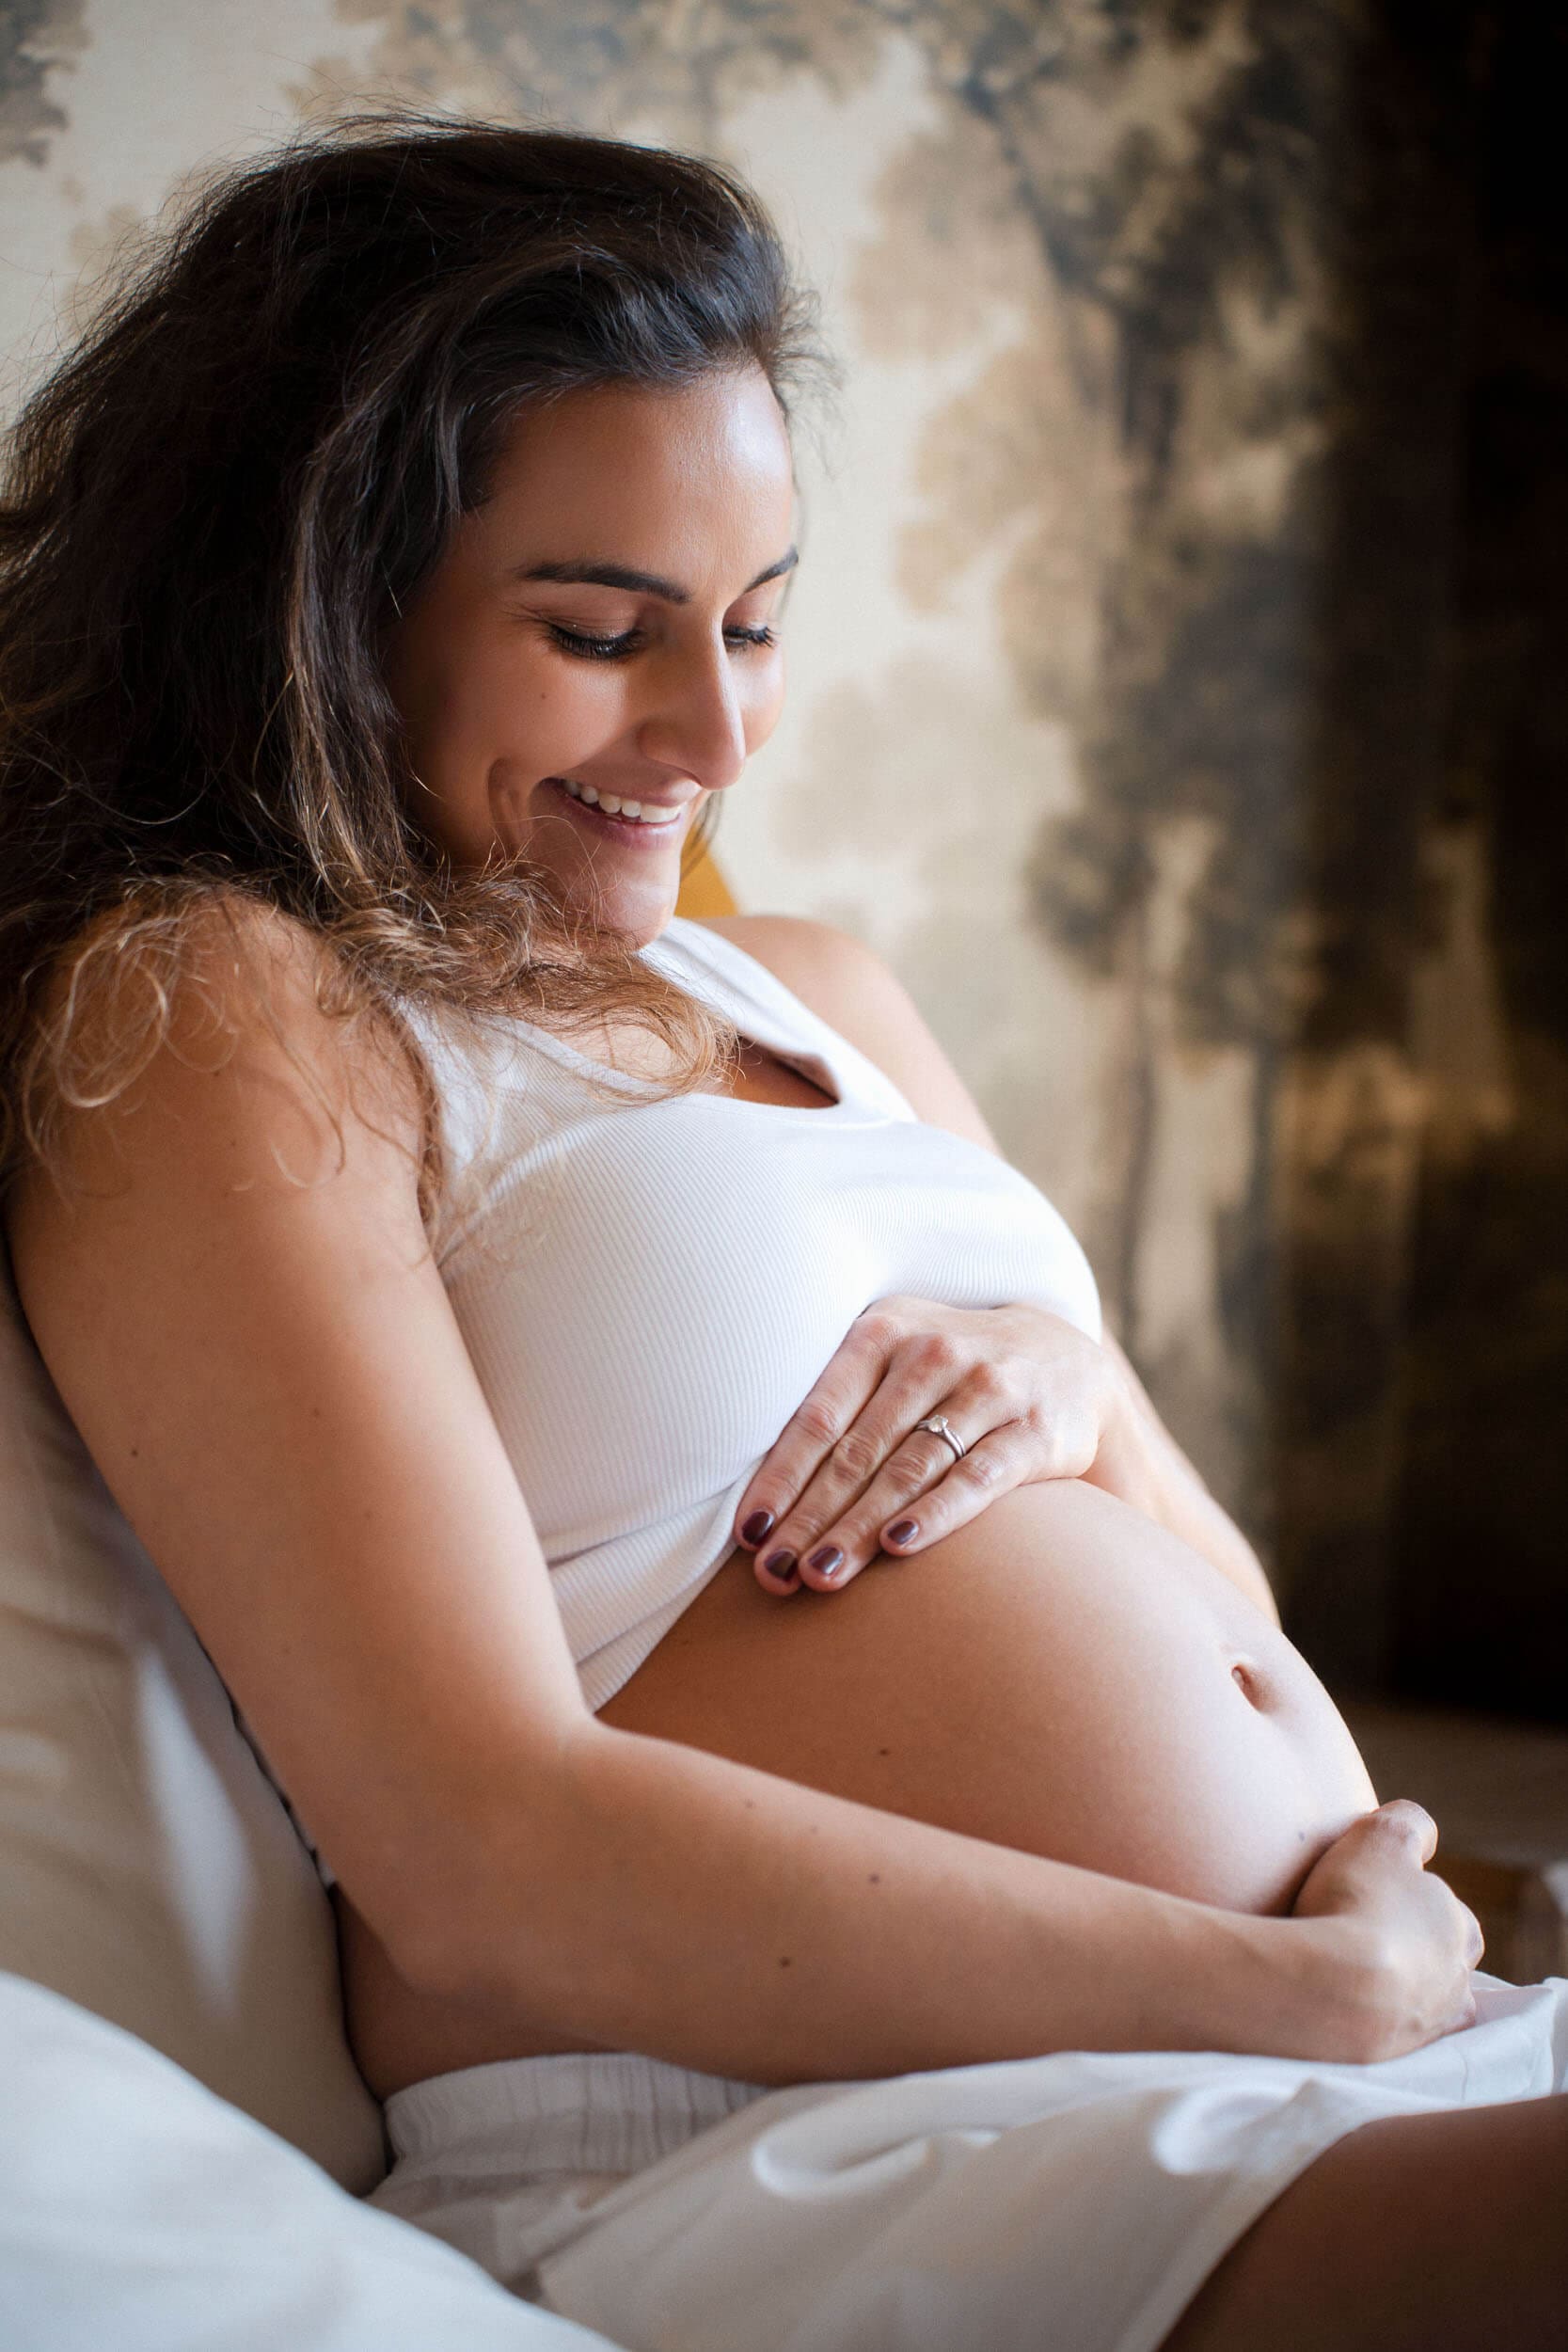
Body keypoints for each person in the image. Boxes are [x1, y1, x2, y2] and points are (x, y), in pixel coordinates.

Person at [1, 114, 1561, 2352]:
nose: (715, 730)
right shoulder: (228, 1002)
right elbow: (477, 1838)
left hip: (1304, 2029)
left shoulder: (810, 983)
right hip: (805, 2121)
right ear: (322, 602)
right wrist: (1287, 1982)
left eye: (752, 621)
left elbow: (1224, 1606)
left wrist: (1067, 1371)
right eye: (600, 629)